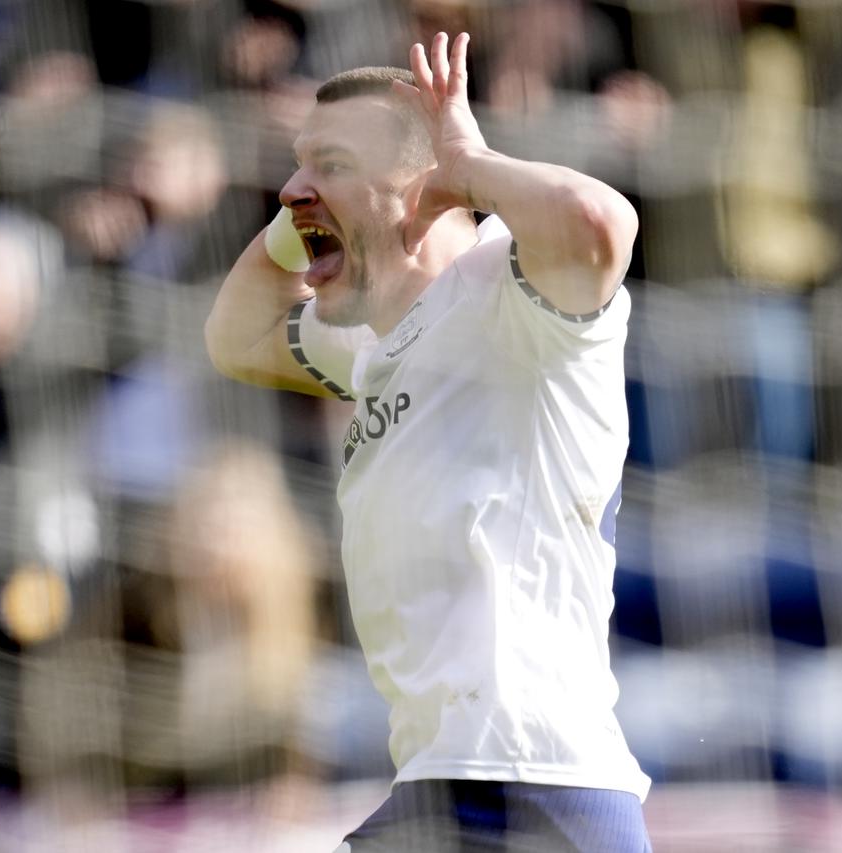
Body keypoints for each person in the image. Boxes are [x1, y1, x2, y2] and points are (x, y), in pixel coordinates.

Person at [206, 32, 651, 852]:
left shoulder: (515, 294)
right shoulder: (372, 342)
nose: (290, 187)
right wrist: (305, 215)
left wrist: (468, 164)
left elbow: (598, 223)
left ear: (420, 185)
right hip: (438, 790)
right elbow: (233, 336)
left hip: (536, 791)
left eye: (329, 163)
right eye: (296, 165)